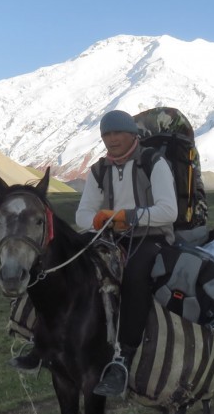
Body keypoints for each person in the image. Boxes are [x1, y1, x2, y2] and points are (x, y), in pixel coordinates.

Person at [74, 109, 179, 397]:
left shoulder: (153, 162)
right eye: (106, 134)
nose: (111, 139)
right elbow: (83, 214)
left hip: (151, 237)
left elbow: (169, 211)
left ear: (132, 135)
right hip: (110, 237)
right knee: (69, 264)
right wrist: (98, 221)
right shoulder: (99, 170)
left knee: (134, 274)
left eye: (117, 133)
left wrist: (125, 216)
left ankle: (123, 357)